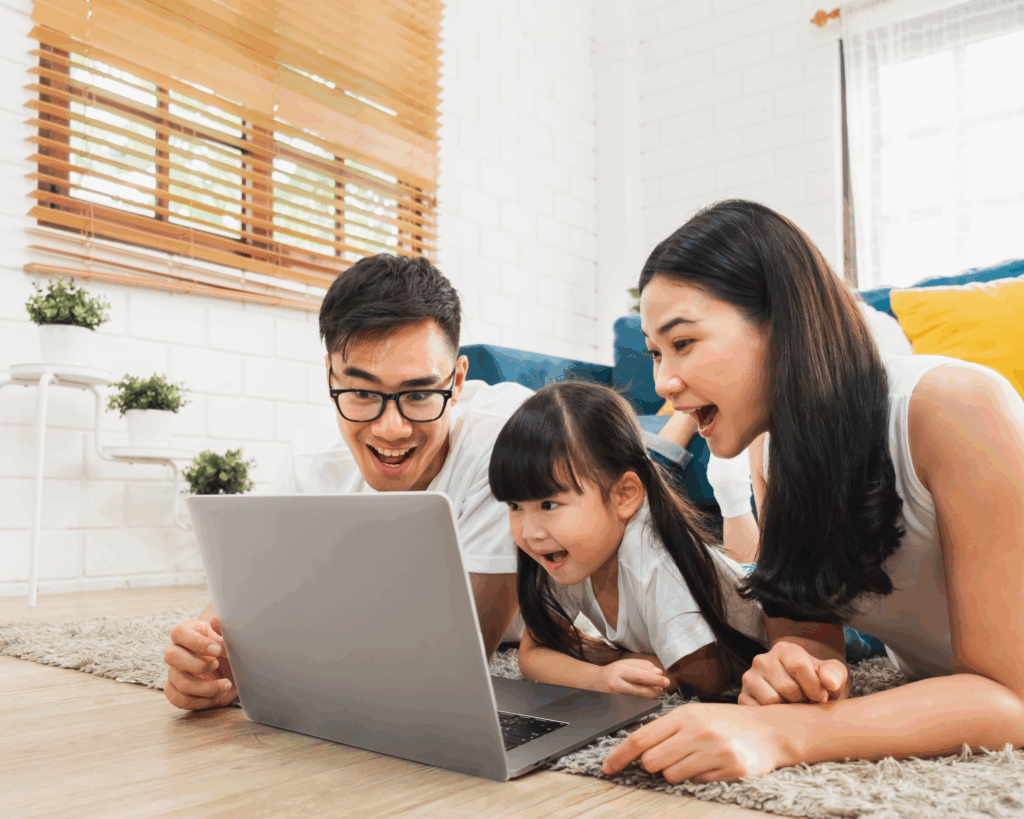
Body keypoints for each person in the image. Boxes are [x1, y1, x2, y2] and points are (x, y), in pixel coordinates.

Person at [602, 199, 1024, 782]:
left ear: (782, 324)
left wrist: (781, 733)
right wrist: (797, 668)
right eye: (655, 353)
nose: (663, 383)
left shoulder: (956, 407)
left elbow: (1011, 697)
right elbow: (810, 634)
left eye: (683, 343)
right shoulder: (772, 451)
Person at [163, 254, 531, 711]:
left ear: (457, 382)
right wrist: (204, 658)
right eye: (361, 392)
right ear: (329, 377)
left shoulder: (507, 443)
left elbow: (455, 661)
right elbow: (249, 602)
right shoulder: (313, 458)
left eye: (419, 394)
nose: (391, 429)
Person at [488, 380, 767, 700]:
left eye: (549, 505)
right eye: (515, 506)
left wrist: (610, 656)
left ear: (625, 495)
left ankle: (731, 487)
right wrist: (600, 677)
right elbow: (532, 655)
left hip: (763, 597)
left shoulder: (652, 560)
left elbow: (708, 682)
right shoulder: (563, 550)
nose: (529, 532)